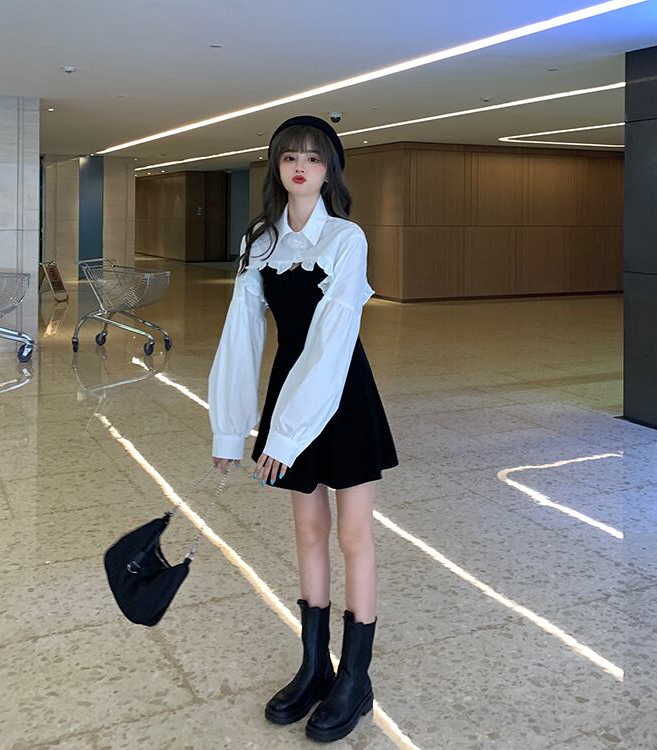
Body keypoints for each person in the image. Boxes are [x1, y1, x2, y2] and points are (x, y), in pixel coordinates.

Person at [207, 114, 398, 743]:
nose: (301, 167)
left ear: (329, 170)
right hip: (290, 393)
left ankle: (356, 680)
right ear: (276, 166)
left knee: (352, 534)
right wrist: (230, 429)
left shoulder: (346, 238)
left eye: (314, 158)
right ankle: (315, 667)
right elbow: (241, 335)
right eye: (290, 156)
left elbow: (333, 339)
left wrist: (285, 435)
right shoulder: (260, 241)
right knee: (308, 531)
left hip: (341, 392)